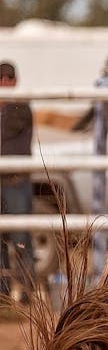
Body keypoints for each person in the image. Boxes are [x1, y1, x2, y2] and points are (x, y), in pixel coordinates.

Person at [0, 60, 35, 300]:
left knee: (21, 239)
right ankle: (3, 292)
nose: (5, 82)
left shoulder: (20, 107)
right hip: (6, 182)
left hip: (15, 181)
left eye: (8, 78)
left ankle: (25, 291)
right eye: (2, 78)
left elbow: (6, 134)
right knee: (2, 241)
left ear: (14, 81)